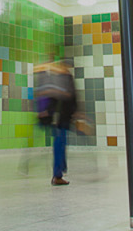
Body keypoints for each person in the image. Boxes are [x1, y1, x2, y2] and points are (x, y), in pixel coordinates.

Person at [34, 58, 79, 186]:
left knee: (61, 144)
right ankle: (57, 175)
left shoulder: (65, 78)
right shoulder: (61, 79)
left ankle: (61, 170)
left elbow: (71, 98)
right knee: (59, 145)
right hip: (59, 118)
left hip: (63, 117)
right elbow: (58, 97)